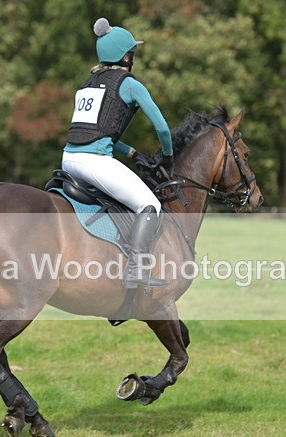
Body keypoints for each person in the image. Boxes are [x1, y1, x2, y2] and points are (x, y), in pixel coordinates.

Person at [62, 18, 173, 290]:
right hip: (94, 162)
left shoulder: (89, 84)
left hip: (68, 159)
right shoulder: (129, 84)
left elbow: (97, 131)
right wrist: (168, 156)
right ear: (126, 56)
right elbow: (162, 128)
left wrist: (132, 152)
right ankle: (135, 269)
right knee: (150, 205)